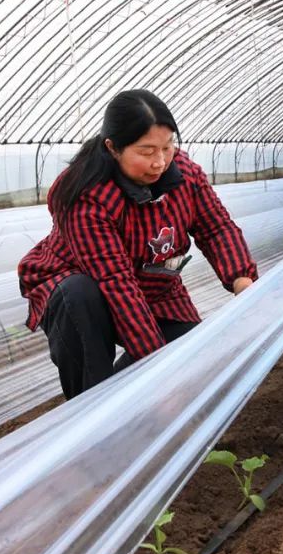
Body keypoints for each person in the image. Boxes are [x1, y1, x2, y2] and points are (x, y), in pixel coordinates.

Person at [18, 90, 258, 399]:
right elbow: (116, 285)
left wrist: (242, 278)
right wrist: (161, 382)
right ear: (113, 148)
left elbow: (216, 228)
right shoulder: (87, 196)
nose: (160, 162)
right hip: (86, 286)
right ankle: (92, 414)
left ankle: (127, 396)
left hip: (153, 285)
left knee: (191, 359)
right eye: (146, 151)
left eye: (168, 146)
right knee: (77, 297)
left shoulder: (185, 175)